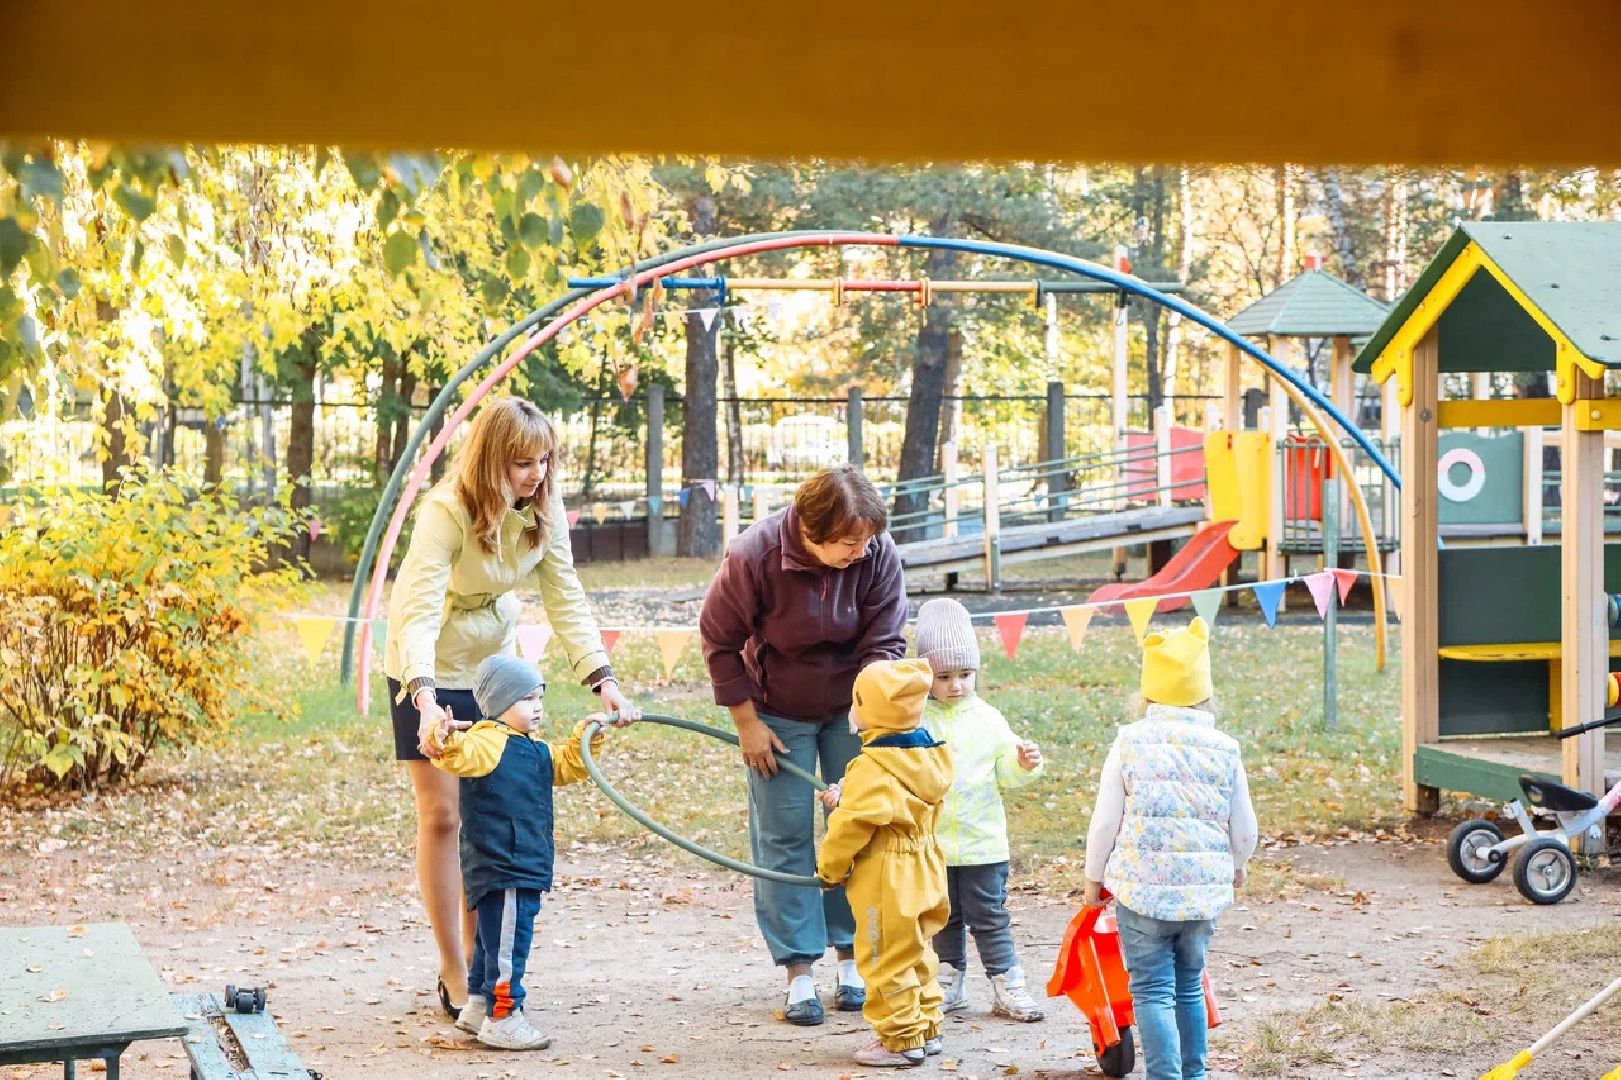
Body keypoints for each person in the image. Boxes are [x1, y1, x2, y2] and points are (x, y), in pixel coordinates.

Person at [383, 396, 641, 1019]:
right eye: (523, 462)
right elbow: (416, 609)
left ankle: (483, 963)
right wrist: (423, 698)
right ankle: (451, 963)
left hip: (492, 669)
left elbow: (565, 593)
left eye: (545, 461)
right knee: (443, 816)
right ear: (491, 458)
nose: (537, 474)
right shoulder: (445, 511)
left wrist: (601, 678)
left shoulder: (543, 509)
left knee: (488, 817)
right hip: (426, 662)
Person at [699, 465, 907, 1025]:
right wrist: (746, 722)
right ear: (810, 532)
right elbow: (719, 640)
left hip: (854, 709)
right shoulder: (754, 556)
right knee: (784, 835)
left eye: (866, 541)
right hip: (776, 712)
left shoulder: (876, 553)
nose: (859, 553)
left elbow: (886, 640)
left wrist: (872, 720)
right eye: (847, 543)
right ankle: (799, 973)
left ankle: (852, 961)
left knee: (856, 829)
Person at [1082, 617, 1258, 1080]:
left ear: (1147, 694)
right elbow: (1245, 828)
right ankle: (1194, 1075)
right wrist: (1237, 867)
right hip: (1202, 896)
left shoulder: (1129, 743)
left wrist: (1093, 878)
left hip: (1142, 894)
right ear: (1205, 692)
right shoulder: (1225, 748)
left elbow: (1104, 823)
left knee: (1153, 989)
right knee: (1189, 986)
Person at [427, 653, 609, 1051]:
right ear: (499, 704)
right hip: (504, 864)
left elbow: (564, 765)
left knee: (494, 942)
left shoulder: (530, 747)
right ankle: (504, 1015)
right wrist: (443, 737)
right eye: (526, 699)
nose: (538, 707)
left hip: (515, 862)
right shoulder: (486, 741)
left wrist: (588, 734)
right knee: (510, 943)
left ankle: (478, 1006)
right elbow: (461, 754)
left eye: (539, 697)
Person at [913, 598, 1047, 1023]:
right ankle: (949, 981)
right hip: (932, 844)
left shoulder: (989, 719)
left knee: (989, 916)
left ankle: (1007, 983)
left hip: (983, 843)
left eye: (965, 675)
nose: (955, 685)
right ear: (926, 676)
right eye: (944, 676)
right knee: (942, 915)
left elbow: (1005, 772)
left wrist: (1023, 763)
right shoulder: (916, 721)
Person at [816, 659, 952, 1068]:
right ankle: (925, 1026)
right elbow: (894, 807)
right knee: (917, 949)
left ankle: (898, 1039)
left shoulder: (871, 768)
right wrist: (850, 795)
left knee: (883, 954)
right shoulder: (930, 755)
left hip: (887, 875)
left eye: (857, 701)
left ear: (872, 711)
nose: (851, 709)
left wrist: (830, 869)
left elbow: (851, 827)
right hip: (926, 866)